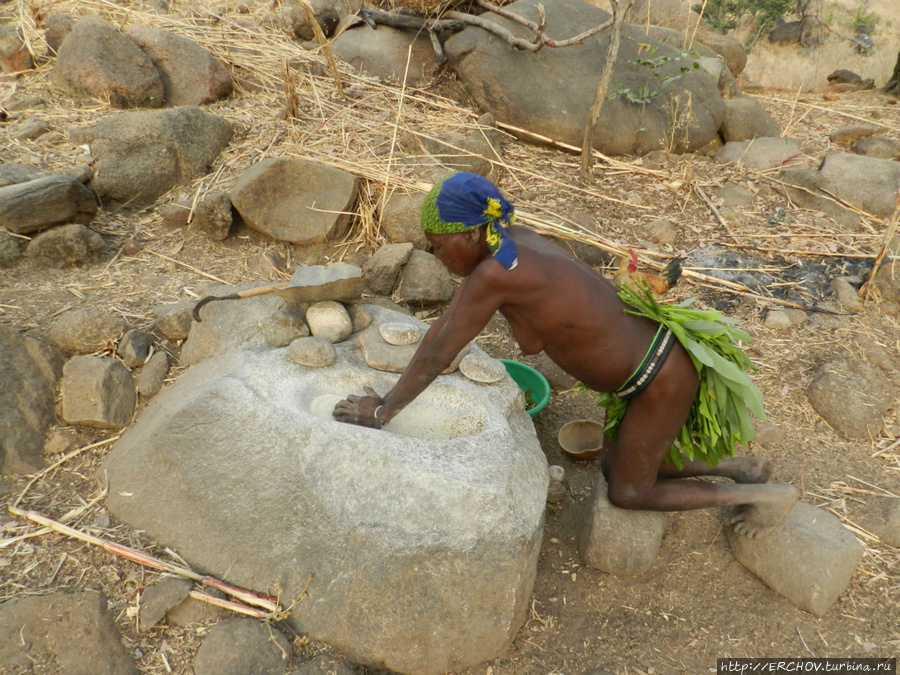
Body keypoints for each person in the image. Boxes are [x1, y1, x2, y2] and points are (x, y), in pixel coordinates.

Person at [333, 172, 798, 537]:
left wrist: (383, 410)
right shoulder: (511, 241)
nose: (435, 256)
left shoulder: (496, 274)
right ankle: (741, 468)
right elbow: (449, 329)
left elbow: (439, 351)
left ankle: (764, 494)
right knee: (617, 464)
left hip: (659, 378)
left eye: (437, 246)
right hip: (653, 366)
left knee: (628, 492)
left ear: (471, 235)